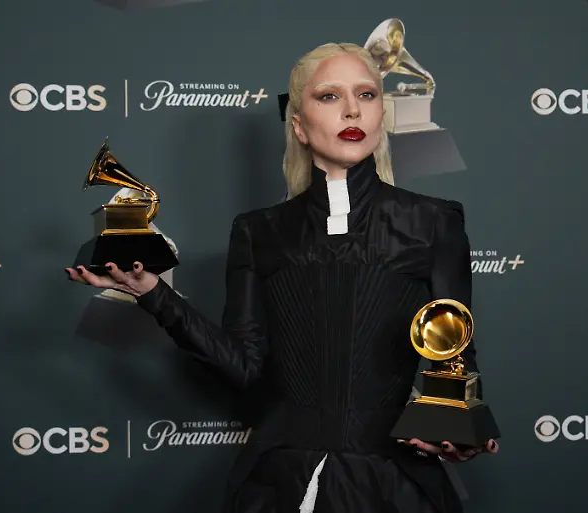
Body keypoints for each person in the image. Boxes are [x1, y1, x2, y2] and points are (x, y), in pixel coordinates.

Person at [65, 41, 498, 513]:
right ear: (299, 125)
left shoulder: (435, 222)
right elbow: (245, 368)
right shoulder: (258, 232)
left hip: (394, 486)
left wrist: (458, 430)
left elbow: (456, 352)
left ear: (381, 115)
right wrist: (152, 293)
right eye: (329, 97)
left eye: (367, 95)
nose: (352, 109)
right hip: (282, 485)